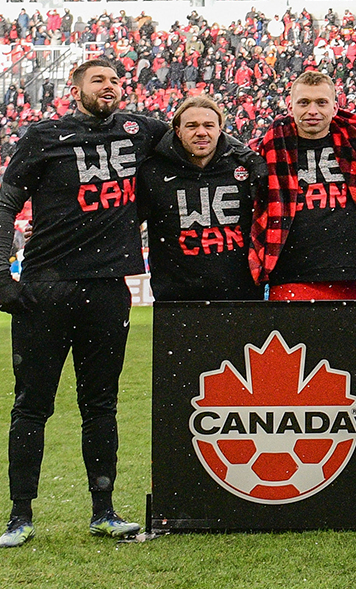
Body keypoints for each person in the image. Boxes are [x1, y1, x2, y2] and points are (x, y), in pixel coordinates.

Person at [0, 59, 167, 547]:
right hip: (46, 288)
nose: (110, 87)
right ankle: (19, 515)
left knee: (101, 404)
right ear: (74, 89)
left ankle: (104, 511)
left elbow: (202, 137)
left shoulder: (142, 130)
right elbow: (6, 200)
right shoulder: (44, 134)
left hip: (108, 287)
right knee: (32, 406)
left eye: (116, 80)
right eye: (98, 80)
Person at [249, 71, 356, 301]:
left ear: (335, 106)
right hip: (288, 275)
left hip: (345, 274)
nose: (313, 111)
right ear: (290, 107)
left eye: (321, 102)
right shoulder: (270, 146)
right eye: (304, 102)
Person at [138, 95, 264, 302]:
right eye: (192, 126)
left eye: (208, 125)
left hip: (242, 297)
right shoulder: (153, 173)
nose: (201, 132)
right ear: (177, 132)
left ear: (220, 129)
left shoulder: (245, 169)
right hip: (177, 301)